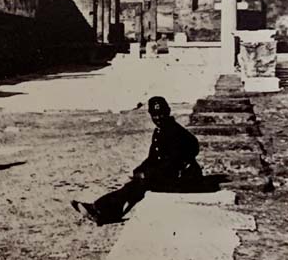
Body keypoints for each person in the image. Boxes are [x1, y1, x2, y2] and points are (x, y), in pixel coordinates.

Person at [72, 96, 202, 225]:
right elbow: (153, 158)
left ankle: (100, 210)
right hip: (171, 175)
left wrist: (147, 174)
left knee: (138, 185)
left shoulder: (174, 132)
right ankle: (104, 212)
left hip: (183, 179)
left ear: (168, 112)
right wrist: (140, 170)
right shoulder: (161, 131)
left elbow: (173, 162)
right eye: (154, 115)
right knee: (135, 184)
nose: (158, 118)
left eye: (161, 114)